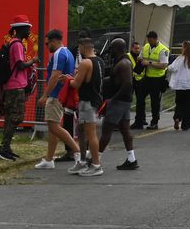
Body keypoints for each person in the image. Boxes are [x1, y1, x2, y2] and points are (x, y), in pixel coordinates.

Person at [34, 29, 82, 170]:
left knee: (54, 127)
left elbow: (55, 76)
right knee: (53, 127)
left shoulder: (58, 54)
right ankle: (49, 159)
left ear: (54, 41)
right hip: (61, 95)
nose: (47, 46)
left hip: (55, 96)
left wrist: (45, 95)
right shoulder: (68, 53)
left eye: (48, 43)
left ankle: (78, 152)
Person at [0, 14, 36, 161]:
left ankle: (6, 147)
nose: (29, 31)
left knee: (12, 117)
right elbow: (20, 65)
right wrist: (33, 61)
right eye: (27, 28)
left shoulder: (12, 42)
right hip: (15, 86)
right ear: (19, 29)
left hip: (11, 85)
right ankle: (3, 148)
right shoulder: (17, 44)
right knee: (16, 117)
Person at [99, 38, 139, 170]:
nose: (110, 51)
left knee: (106, 129)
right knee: (124, 129)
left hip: (119, 101)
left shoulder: (124, 64)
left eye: (112, 48)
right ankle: (131, 159)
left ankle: (94, 159)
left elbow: (128, 83)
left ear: (117, 49)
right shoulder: (123, 62)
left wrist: (114, 99)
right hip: (124, 101)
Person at [67, 34, 104, 177]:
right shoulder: (99, 61)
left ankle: (96, 165)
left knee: (90, 133)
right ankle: (83, 161)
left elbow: (76, 83)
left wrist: (69, 79)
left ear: (82, 47)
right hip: (95, 98)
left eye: (79, 48)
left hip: (87, 101)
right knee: (81, 129)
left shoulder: (85, 63)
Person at [133, 30, 169, 130]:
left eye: (150, 40)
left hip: (157, 79)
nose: (149, 41)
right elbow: (140, 58)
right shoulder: (146, 47)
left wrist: (149, 63)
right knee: (139, 98)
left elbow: (164, 65)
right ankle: (139, 121)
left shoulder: (163, 50)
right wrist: (140, 61)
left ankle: (154, 122)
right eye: (148, 40)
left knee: (155, 101)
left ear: (155, 39)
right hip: (147, 77)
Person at [168, 40, 190, 132]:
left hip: (180, 85)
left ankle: (177, 117)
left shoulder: (179, 59)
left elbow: (171, 68)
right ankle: (186, 125)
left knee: (180, 103)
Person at [126, 41, 147, 128]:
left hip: (140, 80)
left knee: (141, 101)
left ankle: (143, 119)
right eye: (135, 48)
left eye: (138, 48)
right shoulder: (127, 56)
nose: (137, 50)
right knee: (127, 100)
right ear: (131, 48)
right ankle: (125, 120)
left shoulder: (141, 57)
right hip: (130, 80)